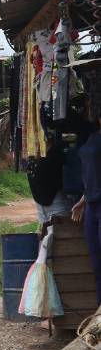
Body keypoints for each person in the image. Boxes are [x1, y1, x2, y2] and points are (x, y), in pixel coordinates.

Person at [72, 119, 101, 305]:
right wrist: (83, 199)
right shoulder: (92, 138)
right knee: (96, 263)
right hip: (91, 203)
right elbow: (91, 172)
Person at [26, 138, 71, 224]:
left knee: (59, 231)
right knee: (46, 231)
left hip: (56, 204)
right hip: (41, 206)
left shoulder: (56, 155)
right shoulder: (35, 157)